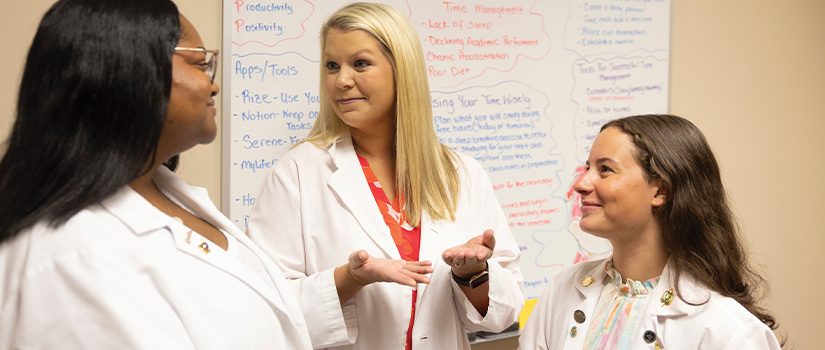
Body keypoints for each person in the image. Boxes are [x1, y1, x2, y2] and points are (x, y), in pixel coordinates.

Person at [0, 0, 430, 348]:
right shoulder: (69, 256)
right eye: (198, 63)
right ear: (129, 75)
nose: (214, 84)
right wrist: (349, 279)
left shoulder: (170, 195)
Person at [246, 2, 524, 349]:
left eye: (360, 63)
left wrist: (473, 274)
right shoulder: (298, 172)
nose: (341, 80)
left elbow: (503, 314)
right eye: (332, 66)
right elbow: (263, 307)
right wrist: (348, 279)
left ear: (401, 70)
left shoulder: (462, 174)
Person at [519, 114, 782, 349]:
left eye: (605, 169)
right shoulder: (563, 287)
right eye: (588, 168)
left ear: (660, 191)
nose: (580, 183)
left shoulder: (729, 332)